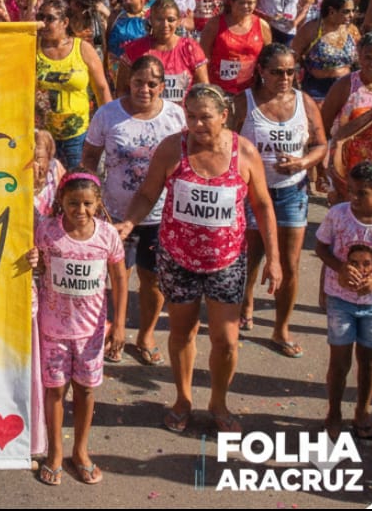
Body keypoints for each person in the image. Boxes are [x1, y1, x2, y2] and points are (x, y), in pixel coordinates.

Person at [117, 84, 280, 435]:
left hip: (227, 260)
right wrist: (129, 222)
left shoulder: (244, 152)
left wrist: (275, 258)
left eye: (205, 117)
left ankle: (218, 401)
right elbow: (148, 193)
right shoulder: (171, 149)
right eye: (191, 116)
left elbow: (263, 206)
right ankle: (183, 399)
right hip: (178, 258)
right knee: (182, 333)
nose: (197, 124)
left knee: (226, 340)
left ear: (224, 116)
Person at [82, 56, 185, 367]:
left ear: (163, 87)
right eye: (139, 82)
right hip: (114, 214)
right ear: (129, 82)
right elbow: (89, 157)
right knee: (115, 277)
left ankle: (146, 335)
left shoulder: (176, 117)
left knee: (153, 280)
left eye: (152, 84)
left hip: (160, 217)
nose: (145, 89)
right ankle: (116, 332)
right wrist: (93, 203)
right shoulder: (107, 115)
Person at [232, 44, 327, 356]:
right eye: (277, 72)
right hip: (251, 193)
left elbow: (320, 144)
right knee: (250, 256)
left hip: (292, 191)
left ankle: (280, 329)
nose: (285, 78)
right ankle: (244, 304)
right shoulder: (243, 103)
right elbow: (227, 143)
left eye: (290, 71)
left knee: (290, 264)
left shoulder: (305, 103)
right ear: (261, 71)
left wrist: (302, 164)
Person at [33, 172, 126, 486]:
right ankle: (55, 453)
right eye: (73, 203)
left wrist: (120, 324)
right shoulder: (46, 231)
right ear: (61, 201)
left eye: (87, 203)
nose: (80, 210)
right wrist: (33, 260)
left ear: (98, 203)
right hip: (53, 329)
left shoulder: (107, 235)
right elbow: (36, 263)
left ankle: (81, 451)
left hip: (91, 332)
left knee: (86, 390)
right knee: (55, 391)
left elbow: (120, 279)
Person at [314, 161, 372, 441]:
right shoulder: (337, 215)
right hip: (339, 300)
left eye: (362, 193)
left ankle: (362, 412)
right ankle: (333, 412)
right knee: (339, 361)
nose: (354, 198)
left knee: (368, 359)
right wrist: (338, 268)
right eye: (351, 191)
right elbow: (321, 247)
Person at [35, 0, 112, 169]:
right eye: (40, 17)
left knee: (75, 182)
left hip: (77, 137)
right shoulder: (32, 49)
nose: (43, 23)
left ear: (64, 22)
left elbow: (101, 88)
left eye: (50, 18)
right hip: (42, 137)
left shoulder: (82, 49)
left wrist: (110, 125)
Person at [321, 31, 372, 202]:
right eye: (368, 57)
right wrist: (324, 170)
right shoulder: (345, 86)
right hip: (350, 171)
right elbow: (322, 128)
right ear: (359, 57)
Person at [116, 0, 208, 104]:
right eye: (159, 19)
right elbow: (122, 90)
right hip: (144, 116)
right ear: (150, 20)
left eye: (171, 20)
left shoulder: (190, 48)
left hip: (181, 117)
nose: (165, 25)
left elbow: (203, 88)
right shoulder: (135, 49)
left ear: (179, 21)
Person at [200, 0, 272, 95]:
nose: (247, 7)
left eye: (251, 3)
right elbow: (203, 58)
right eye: (242, 3)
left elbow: (268, 58)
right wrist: (206, 86)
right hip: (219, 88)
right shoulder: (215, 24)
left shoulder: (262, 25)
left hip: (250, 89)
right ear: (231, 2)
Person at [293, 0, 360, 102]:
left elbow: (360, 59)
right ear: (332, 11)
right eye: (346, 11)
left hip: (346, 88)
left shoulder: (352, 30)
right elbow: (293, 57)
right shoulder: (311, 30)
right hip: (317, 91)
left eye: (353, 10)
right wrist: (295, 86)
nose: (351, 15)